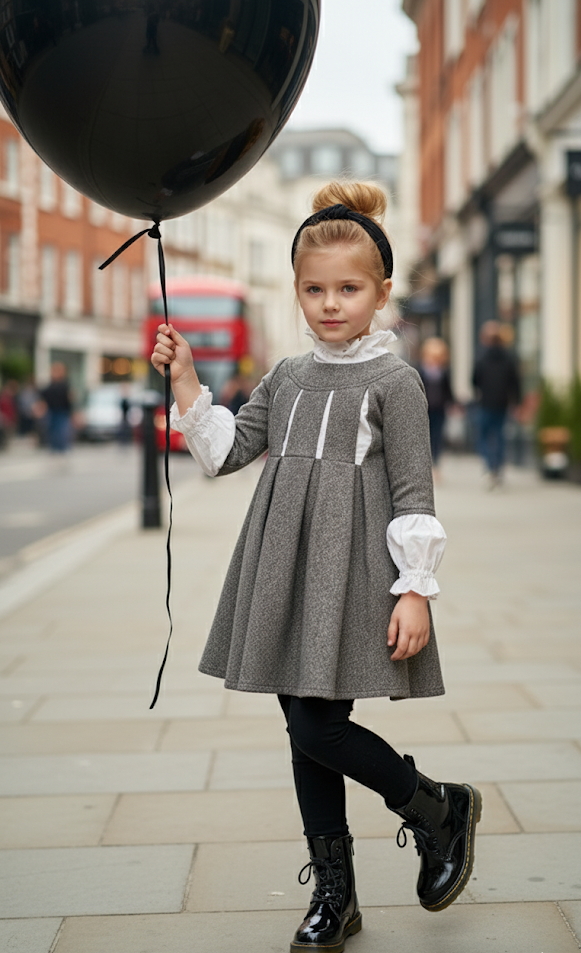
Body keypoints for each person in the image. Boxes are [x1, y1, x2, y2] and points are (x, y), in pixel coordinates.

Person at [152, 182, 482, 951]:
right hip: (284, 568)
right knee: (302, 729)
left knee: (316, 725)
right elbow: (229, 450)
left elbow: (411, 491)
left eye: (348, 288)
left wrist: (414, 590)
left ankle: (434, 807)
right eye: (313, 289)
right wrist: (187, 381)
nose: (330, 303)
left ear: (380, 292)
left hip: (354, 573)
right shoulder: (289, 376)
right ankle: (336, 896)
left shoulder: (394, 383)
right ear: (295, 289)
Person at [473, 320, 521, 487]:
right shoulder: (508, 357)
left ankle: (489, 466)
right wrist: (516, 401)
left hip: (486, 402)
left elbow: (474, 380)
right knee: (499, 435)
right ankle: (497, 468)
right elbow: (515, 381)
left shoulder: (481, 356)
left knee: (485, 436)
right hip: (502, 403)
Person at [417, 337, 454, 470]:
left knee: (437, 436)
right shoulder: (419, 370)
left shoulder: (443, 372)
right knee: (424, 437)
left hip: (439, 409)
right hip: (424, 409)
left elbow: (448, 390)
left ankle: (436, 463)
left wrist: (452, 404)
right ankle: (426, 463)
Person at [39, 362, 73, 453]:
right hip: (52, 411)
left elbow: (69, 400)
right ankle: (54, 447)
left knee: (62, 430)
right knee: (52, 429)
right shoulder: (51, 385)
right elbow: (43, 396)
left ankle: (62, 447)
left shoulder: (64, 385)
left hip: (62, 411)